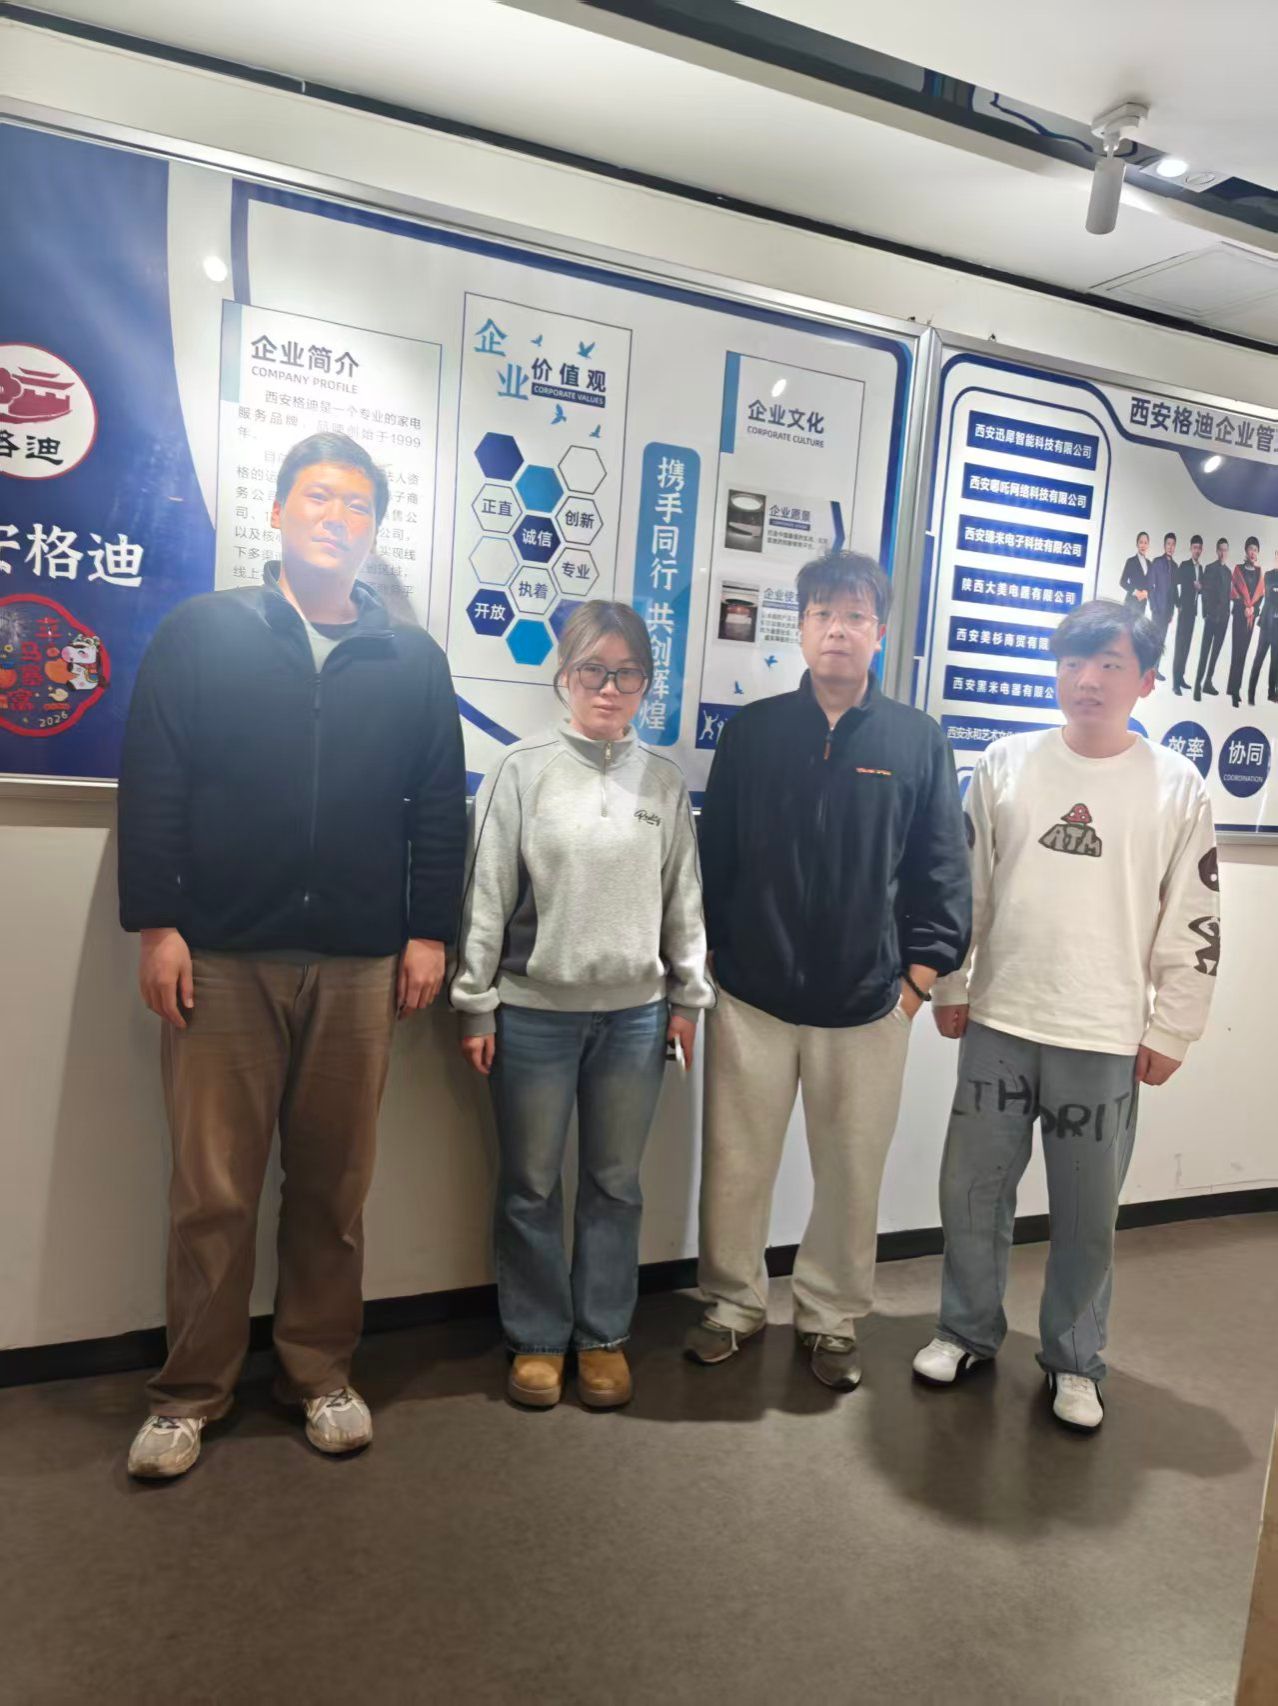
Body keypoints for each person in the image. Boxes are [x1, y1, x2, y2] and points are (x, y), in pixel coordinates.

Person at [118, 430, 466, 1478]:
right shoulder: (202, 632)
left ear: (375, 530)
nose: (336, 517)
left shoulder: (412, 660)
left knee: (333, 1187)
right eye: (318, 497)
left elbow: (436, 806)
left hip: (360, 963)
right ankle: (189, 1391)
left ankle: (319, 1372)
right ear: (275, 512)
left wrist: (428, 930)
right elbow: (154, 779)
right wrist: (158, 924)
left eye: (357, 505)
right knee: (212, 1191)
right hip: (221, 954)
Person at [913, 600, 1219, 1431]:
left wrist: (1173, 1026)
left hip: (1104, 1033)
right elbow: (965, 889)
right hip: (1001, 1019)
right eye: (1074, 663)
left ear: (1145, 681)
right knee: (972, 1191)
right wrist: (952, 984)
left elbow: (1194, 915)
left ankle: (1076, 1360)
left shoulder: (1176, 785)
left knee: (1087, 1214)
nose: (1088, 680)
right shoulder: (1005, 763)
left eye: (1111, 664)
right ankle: (964, 1330)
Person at [687, 550, 971, 1392]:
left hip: (869, 1002)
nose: (837, 631)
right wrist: (718, 960)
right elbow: (715, 857)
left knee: (851, 1173)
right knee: (736, 1164)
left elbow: (941, 871)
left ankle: (831, 1316)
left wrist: (915, 986)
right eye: (822, 615)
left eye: (854, 616)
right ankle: (732, 1302)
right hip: (751, 997)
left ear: (878, 632)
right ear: (802, 628)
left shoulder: (916, 740)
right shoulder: (753, 733)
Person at [451, 601, 712, 1411]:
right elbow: (486, 894)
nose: (609, 687)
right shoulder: (520, 769)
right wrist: (475, 1002)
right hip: (532, 1013)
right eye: (593, 669)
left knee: (615, 1183)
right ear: (563, 676)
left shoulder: (662, 780)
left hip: (637, 1016)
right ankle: (536, 1339)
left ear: (645, 686)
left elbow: (684, 900)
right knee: (530, 1184)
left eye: (627, 673)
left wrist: (688, 999)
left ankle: (602, 1337)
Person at [1194, 537, 1232, 701]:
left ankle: (1208, 682)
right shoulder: (1210, 568)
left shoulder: (1228, 572)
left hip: (1223, 619)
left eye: (1225, 550)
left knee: (1215, 653)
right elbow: (1204, 593)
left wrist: (1228, 614)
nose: (1223, 553)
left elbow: (1227, 595)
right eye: (1221, 550)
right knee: (1204, 653)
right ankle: (1197, 685)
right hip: (1211, 618)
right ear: (1217, 551)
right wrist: (1206, 614)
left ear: (1227, 552)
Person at [1227, 536, 1264, 707]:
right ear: (1246, 551)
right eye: (1251, 549)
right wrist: (1244, 606)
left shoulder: (1259, 572)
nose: (1253, 552)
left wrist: (1253, 609)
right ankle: (1234, 691)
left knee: (1244, 654)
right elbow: (1234, 591)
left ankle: (1235, 688)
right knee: (1237, 652)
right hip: (1240, 617)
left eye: (1255, 550)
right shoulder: (1238, 569)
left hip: (1250, 618)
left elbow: (1260, 596)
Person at [1246, 548, 1278, 706]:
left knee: (1275, 662)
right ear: (1275, 558)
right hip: (1266, 624)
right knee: (1259, 659)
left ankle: (1272, 693)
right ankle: (1251, 694)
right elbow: (1270, 594)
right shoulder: (1269, 575)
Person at [1171, 533, 1202, 695]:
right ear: (1191, 548)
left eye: (1199, 548)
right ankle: (1175, 683)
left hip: (1193, 613)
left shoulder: (1200, 568)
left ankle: (1181, 678)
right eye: (1195, 547)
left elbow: (1201, 589)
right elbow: (1174, 584)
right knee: (1180, 647)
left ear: (1201, 550)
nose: (1197, 550)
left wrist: (1200, 588)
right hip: (1184, 611)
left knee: (1187, 647)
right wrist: (1178, 604)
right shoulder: (1184, 565)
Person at [1148, 531, 1177, 679]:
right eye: (1168, 544)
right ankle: (1147, 669)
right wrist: (1153, 606)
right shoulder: (1157, 562)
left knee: (1161, 642)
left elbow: (1173, 591)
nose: (1170, 547)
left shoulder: (1175, 566)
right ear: (1164, 545)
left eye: (1173, 545)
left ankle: (1155, 669)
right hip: (1157, 609)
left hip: (1167, 611)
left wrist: (1171, 612)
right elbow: (1150, 586)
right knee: (1153, 640)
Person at [1119, 532, 1151, 616]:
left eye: (1145, 543)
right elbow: (1122, 582)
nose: (1143, 545)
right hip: (1131, 603)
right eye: (1141, 542)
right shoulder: (1131, 561)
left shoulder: (1150, 564)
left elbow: (1151, 584)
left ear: (1148, 545)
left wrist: (1147, 592)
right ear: (1137, 544)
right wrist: (1136, 592)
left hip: (1142, 605)